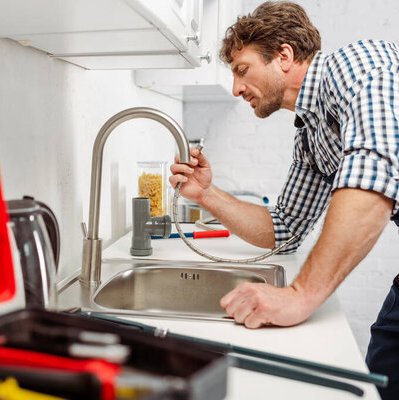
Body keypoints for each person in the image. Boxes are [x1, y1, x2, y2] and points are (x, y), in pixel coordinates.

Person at [169, 2, 399, 399]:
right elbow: (284, 227)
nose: (237, 88)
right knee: (386, 364)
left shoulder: (358, 66)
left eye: (242, 70)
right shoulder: (311, 132)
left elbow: (372, 174)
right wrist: (207, 194)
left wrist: (299, 296)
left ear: (284, 56)